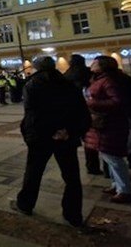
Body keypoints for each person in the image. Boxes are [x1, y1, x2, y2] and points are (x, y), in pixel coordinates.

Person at [11, 57, 90, 227]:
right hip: (65, 137)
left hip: (42, 138)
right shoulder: (68, 83)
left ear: (37, 68)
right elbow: (81, 112)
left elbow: (33, 116)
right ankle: (73, 214)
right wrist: (69, 131)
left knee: (33, 173)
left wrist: (34, 136)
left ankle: (25, 204)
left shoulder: (33, 85)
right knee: (72, 177)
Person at [84, 56, 131, 204]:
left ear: (102, 66)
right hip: (103, 123)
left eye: (95, 62)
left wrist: (93, 102)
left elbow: (117, 101)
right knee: (109, 156)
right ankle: (116, 185)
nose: (92, 64)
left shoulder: (108, 80)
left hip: (109, 124)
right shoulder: (101, 78)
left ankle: (125, 190)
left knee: (114, 158)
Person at [63, 54, 99, 175]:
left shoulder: (66, 75)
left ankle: (91, 166)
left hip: (73, 112)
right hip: (92, 109)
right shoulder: (90, 74)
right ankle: (108, 170)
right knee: (99, 139)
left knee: (87, 141)